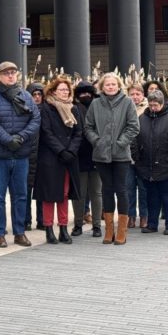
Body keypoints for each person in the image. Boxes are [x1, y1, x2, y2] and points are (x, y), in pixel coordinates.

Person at [0, 61, 41, 248]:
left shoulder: (26, 96)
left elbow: (35, 119)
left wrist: (21, 138)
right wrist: (8, 139)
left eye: (13, 73)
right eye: (6, 73)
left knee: (20, 195)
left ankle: (19, 232)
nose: (10, 76)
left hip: (21, 155)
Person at [84, 72, 140, 245]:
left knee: (121, 190)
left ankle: (122, 230)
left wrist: (121, 142)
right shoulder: (95, 103)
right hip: (101, 155)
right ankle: (109, 230)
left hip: (121, 154)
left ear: (118, 86)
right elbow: (88, 127)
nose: (110, 87)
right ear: (102, 87)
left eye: (113, 84)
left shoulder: (127, 102)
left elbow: (133, 126)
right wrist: (97, 141)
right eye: (107, 84)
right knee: (107, 190)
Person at [34, 76, 82, 245]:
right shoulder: (46, 108)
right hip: (51, 157)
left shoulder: (74, 109)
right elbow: (46, 132)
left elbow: (78, 133)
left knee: (64, 194)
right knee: (49, 195)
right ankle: (48, 228)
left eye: (67, 90)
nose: (65, 92)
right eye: (61, 89)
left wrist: (71, 151)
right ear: (53, 91)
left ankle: (63, 228)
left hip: (69, 158)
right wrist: (61, 150)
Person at [135, 90, 168, 235]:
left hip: (167, 165)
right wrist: (137, 156)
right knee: (151, 196)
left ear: (162, 103)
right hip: (147, 164)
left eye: (156, 105)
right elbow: (135, 139)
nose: (153, 108)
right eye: (150, 105)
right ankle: (152, 224)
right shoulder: (142, 118)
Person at [71, 81, 102, 238]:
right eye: (81, 94)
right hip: (78, 156)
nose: (85, 96)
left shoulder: (99, 107)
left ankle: (97, 225)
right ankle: (78, 224)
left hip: (97, 154)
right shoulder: (73, 108)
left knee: (96, 193)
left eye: (87, 93)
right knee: (79, 193)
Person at [126, 83, 149, 229]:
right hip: (126, 154)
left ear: (143, 95)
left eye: (138, 94)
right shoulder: (123, 109)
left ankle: (144, 216)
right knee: (128, 187)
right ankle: (131, 216)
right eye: (132, 94)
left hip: (144, 154)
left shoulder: (148, 110)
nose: (135, 97)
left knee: (143, 188)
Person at [25, 82, 44, 231]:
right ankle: (26, 220)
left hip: (43, 156)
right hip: (27, 154)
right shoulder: (24, 111)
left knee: (41, 190)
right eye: (34, 94)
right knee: (25, 190)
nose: (37, 97)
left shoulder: (48, 111)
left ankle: (41, 219)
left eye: (39, 94)